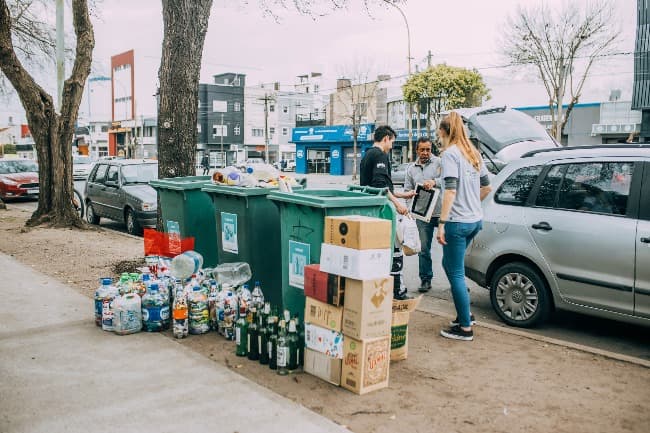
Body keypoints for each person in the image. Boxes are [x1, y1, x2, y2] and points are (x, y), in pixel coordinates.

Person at [436, 112, 491, 341]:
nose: (437, 137)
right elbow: (487, 187)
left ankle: (465, 326)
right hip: (474, 220)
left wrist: (442, 223)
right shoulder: (473, 153)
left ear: (446, 131)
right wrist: (470, 204)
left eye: (438, 132)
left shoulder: (450, 154)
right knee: (449, 265)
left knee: (456, 272)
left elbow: (450, 190)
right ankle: (463, 313)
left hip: (456, 222)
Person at [360, 125, 416, 300]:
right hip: (382, 212)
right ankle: (397, 291)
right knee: (394, 251)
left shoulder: (368, 154)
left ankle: (385, 289)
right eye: (392, 141)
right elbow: (379, 186)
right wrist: (398, 204)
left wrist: (402, 194)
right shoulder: (380, 155)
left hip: (371, 210)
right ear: (386, 139)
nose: (392, 145)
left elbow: (380, 186)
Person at [404, 137, 442, 293]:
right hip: (422, 215)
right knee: (424, 249)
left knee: (451, 249)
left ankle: (456, 282)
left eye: (428, 149)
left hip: (442, 214)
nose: (426, 152)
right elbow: (407, 191)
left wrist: (435, 181)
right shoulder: (411, 169)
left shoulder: (440, 163)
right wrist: (409, 211)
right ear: (417, 150)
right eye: (422, 150)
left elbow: (450, 181)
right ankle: (425, 280)